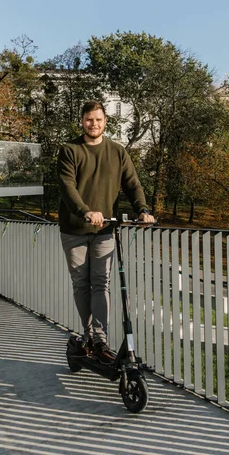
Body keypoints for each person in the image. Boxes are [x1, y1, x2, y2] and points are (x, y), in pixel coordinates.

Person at [57, 100, 154, 364]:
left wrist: (143, 209)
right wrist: (85, 210)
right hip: (75, 228)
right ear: (82, 121)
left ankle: (99, 340)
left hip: (105, 230)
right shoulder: (70, 150)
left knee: (101, 283)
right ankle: (88, 335)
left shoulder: (117, 151)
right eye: (89, 120)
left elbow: (133, 184)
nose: (94, 124)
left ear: (105, 122)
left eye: (98, 120)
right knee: (81, 284)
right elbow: (67, 187)